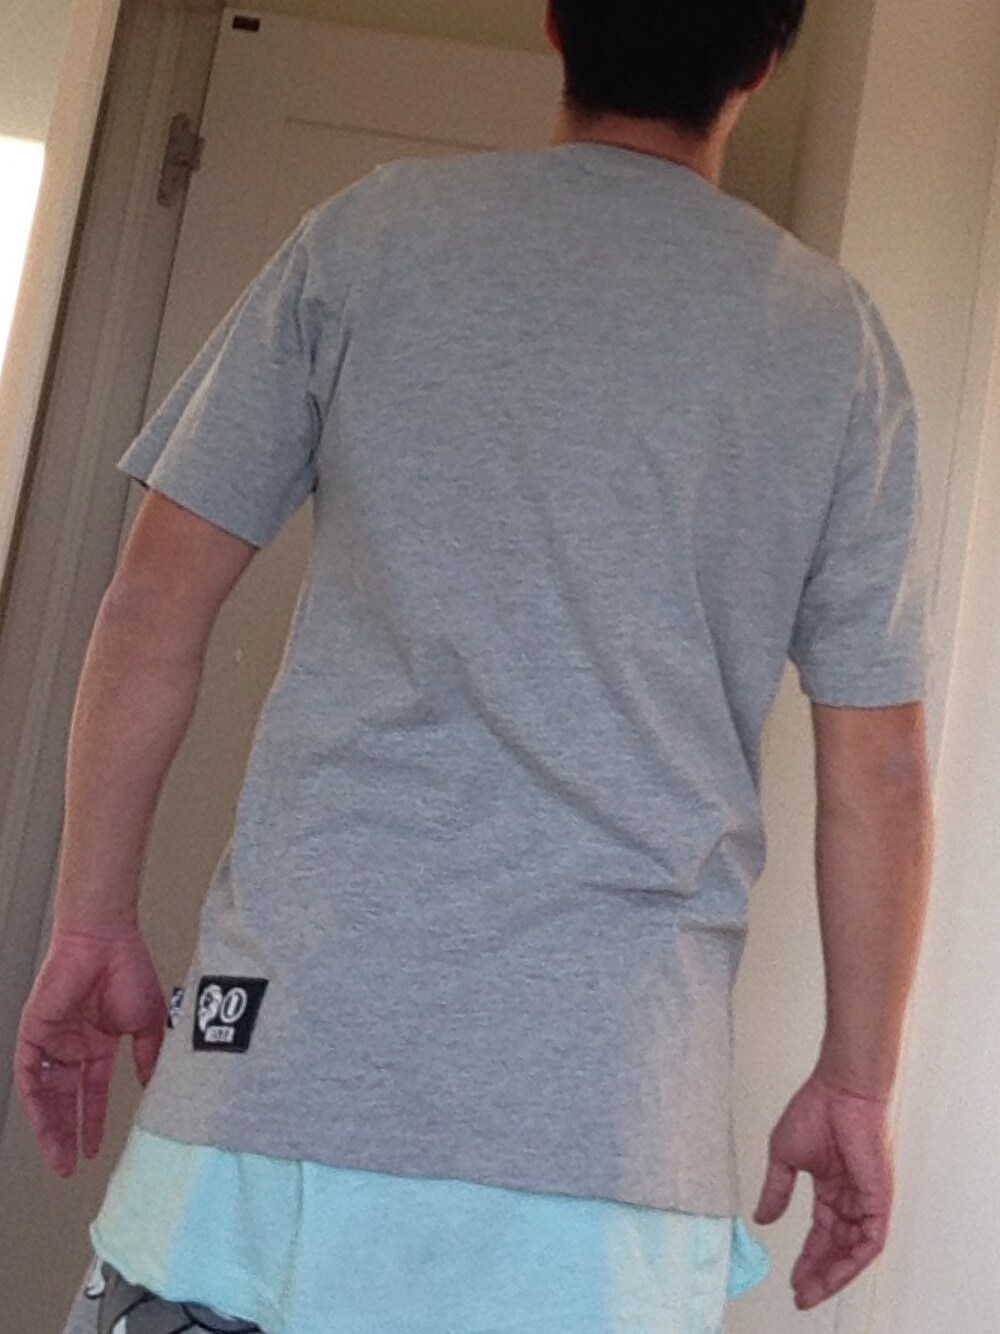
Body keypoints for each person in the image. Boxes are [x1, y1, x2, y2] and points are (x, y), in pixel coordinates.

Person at [14, 0, 936, 1329]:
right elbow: (883, 767)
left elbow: (151, 605)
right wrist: (856, 1079)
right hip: (612, 1145)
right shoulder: (832, 339)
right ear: (766, 61)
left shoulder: (371, 236)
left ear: (555, 23)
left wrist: (92, 922)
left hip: (278, 1082)